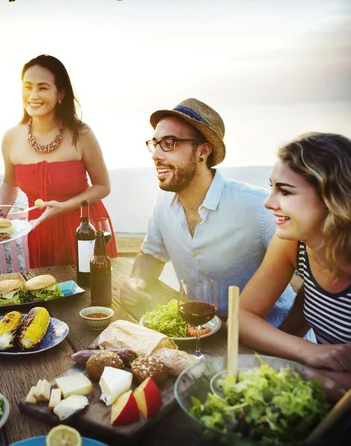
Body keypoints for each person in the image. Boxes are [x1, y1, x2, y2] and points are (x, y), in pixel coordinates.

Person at [118, 98, 294, 326]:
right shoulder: (163, 202)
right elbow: (152, 254)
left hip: (269, 335)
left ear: (202, 151)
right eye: (155, 143)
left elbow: (309, 275)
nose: (156, 155)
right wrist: (136, 280)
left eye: (169, 143)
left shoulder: (259, 207)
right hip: (199, 328)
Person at [238, 133, 351, 388]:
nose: (269, 203)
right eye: (272, 187)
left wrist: (300, 376)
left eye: (285, 192)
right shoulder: (293, 242)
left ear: (333, 198)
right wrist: (308, 351)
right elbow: (242, 316)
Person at [0, 54, 117, 268]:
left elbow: (102, 186)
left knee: (93, 294)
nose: (33, 95)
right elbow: (9, 183)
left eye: (43, 87)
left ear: (60, 93)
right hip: (39, 230)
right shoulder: (11, 138)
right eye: (27, 86)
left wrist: (65, 206)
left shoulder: (82, 133)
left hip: (85, 228)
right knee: (46, 295)